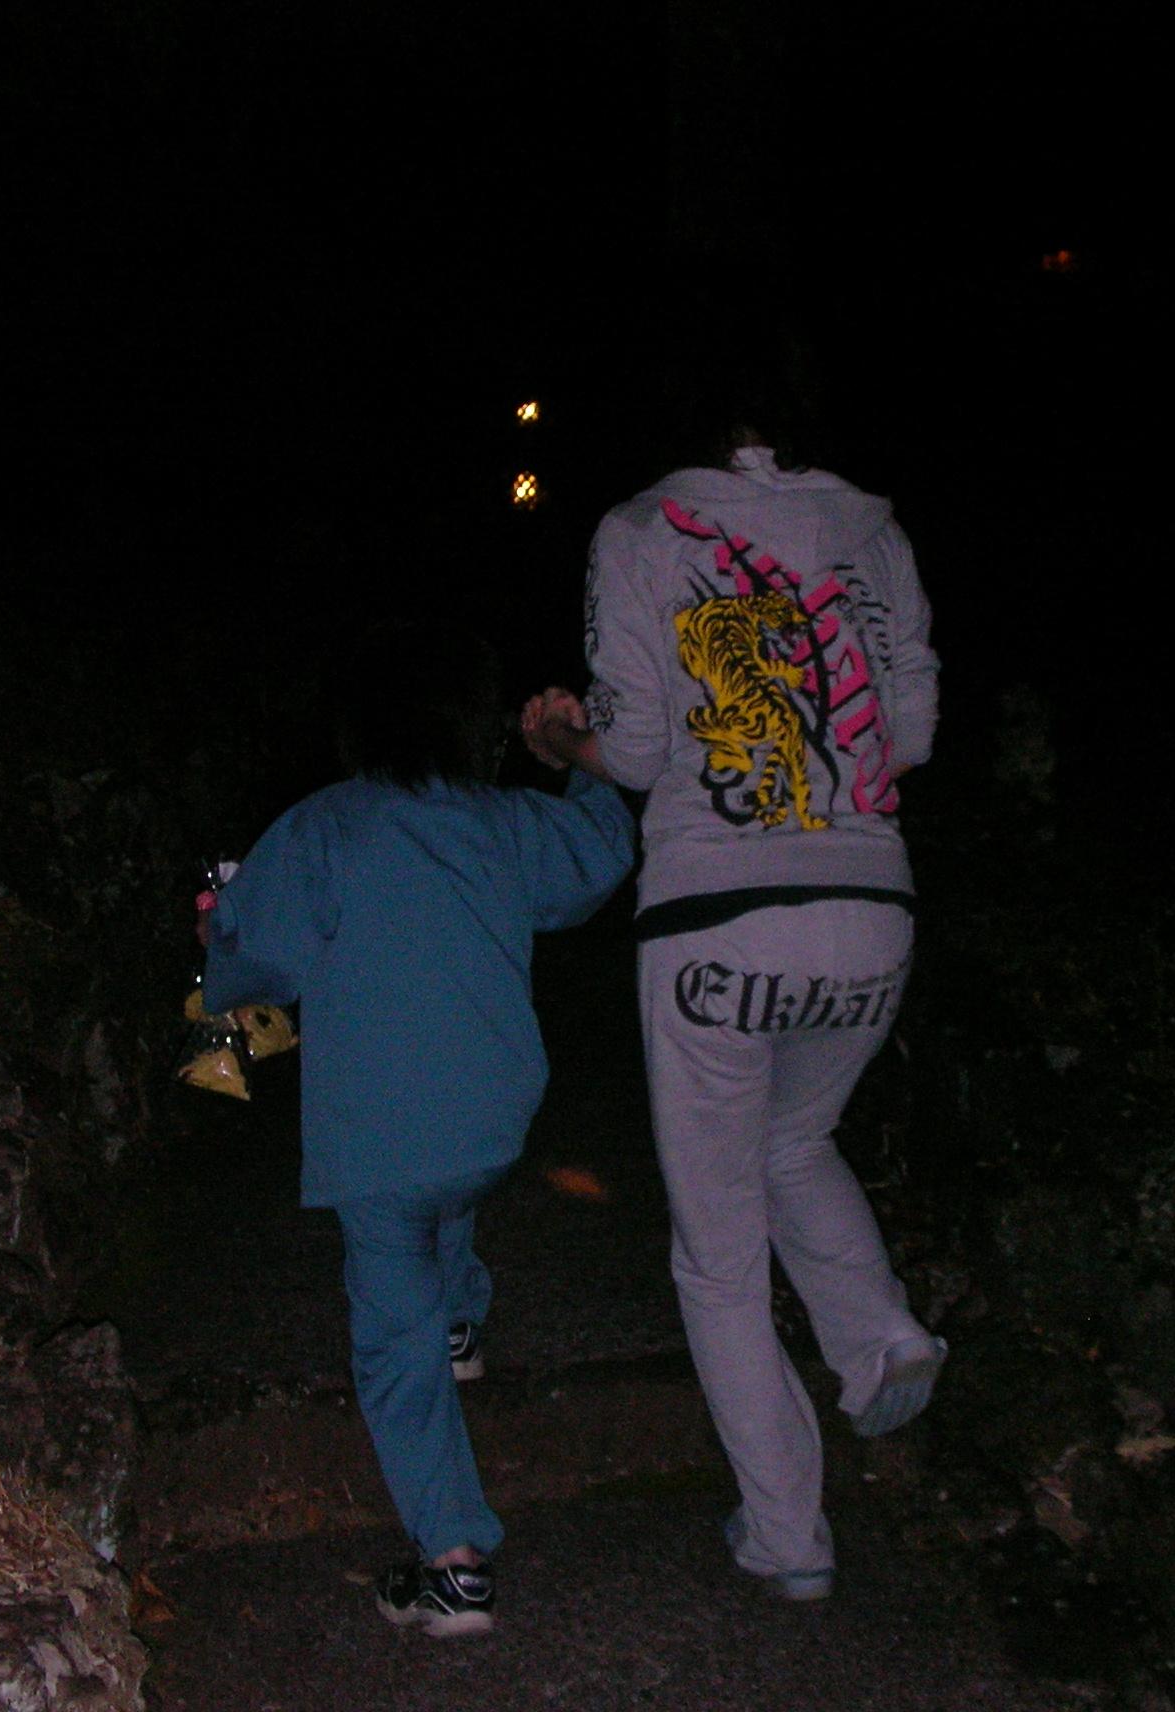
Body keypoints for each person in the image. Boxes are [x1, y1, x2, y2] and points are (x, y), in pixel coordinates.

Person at [522, 378, 945, 1602]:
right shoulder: (874, 531)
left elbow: (638, 750)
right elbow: (908, 735)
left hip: (718, 918)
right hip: (870, 910)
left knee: (715, 1252)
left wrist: (557, 744)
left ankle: (788, 1533)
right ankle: (878, 1333)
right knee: (794, 1137)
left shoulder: (639, 529)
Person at [201, 634, 634, 1638]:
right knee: (451, 1183)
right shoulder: (501, 821)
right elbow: (598, 854)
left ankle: (454, 1565)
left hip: (380, 1138)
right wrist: (580, 763)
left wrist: (216, 935)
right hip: (493, 1118)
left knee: (394, 1335)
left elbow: (256, 957)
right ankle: (461, 1322)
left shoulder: (325, 826)